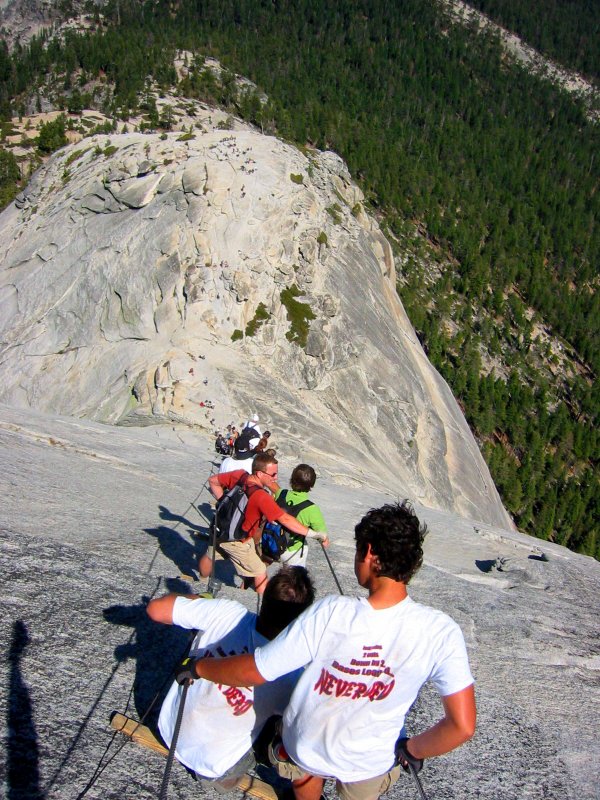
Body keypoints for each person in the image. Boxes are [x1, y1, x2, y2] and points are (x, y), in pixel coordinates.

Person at [182, 502, 476, 800]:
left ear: (370, 553)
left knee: (302, 764)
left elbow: (258, 670)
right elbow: (462, 726)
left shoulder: (331, 612)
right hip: (369, 762)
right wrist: (413, 750)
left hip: (305, 747)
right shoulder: (441, 631)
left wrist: (198, 668)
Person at [147, 567, 315, 788]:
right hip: (211, 767)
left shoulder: (226, 611)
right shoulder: (292, 674)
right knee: (283, 729)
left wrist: (199, 600)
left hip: (169, 728)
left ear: (264, 598)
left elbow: (155, 609)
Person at [201, 453, 327, 594]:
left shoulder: (240, 475)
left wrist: (222, 502)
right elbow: (284, 519)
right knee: (260, 571)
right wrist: (313, 533)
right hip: (239, 538)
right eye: (273, 475)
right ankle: (262, 603)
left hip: (220, 526)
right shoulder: (261, 496)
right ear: (260, 474)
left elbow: (213, 480)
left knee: (210, 554)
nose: (276, 478)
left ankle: (200, 581)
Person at [272, 463, 329, 567]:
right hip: (291, 551)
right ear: (311, 485)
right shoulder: (312, 509)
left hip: (272, 544)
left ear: (291, 480)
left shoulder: (280, 493)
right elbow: (323, 537)